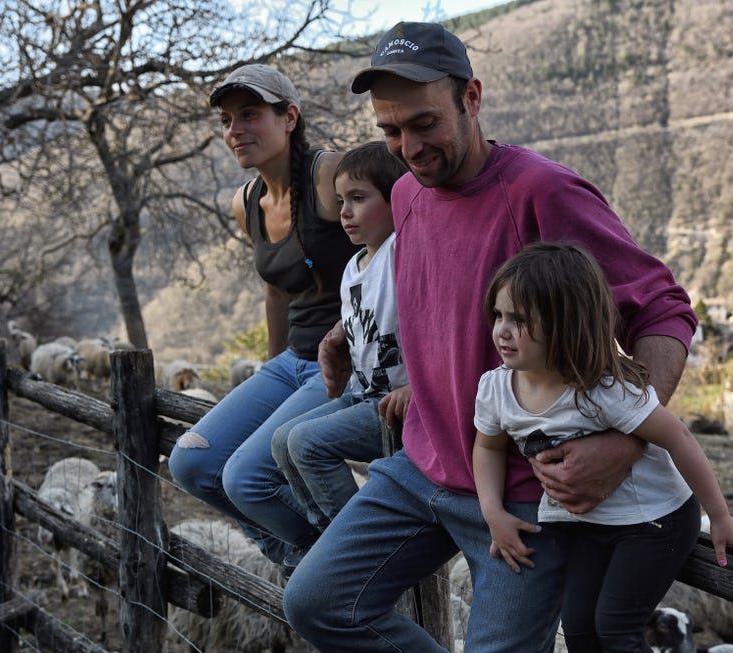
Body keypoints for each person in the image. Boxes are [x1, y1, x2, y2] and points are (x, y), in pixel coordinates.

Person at [282, 21, 699, 652]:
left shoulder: (541, 191)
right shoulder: (406, 196)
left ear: (471, 99)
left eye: (425, 123)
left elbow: (662, 308)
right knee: (316, 604)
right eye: (390, 131)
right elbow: (432, 301)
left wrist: (624, 441)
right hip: (421, 467)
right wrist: (353, 336)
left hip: (529, 498)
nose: (408, 147)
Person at [473, 241, 733, 652]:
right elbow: (487, 448)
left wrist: (719, 517)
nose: (501, 330)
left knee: (615, 629)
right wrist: (493, 513)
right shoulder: (496, 389)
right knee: (576, 626)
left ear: (565, 324)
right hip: (592, 525)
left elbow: (679, 438)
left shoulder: (603, 390)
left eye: (518, 320)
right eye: (498, 315)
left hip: (654, 520)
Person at [166, 64, 359, 572]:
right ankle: (302, 555)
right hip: (295, 360)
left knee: (244, 477)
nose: (235, 130)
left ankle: (333, 566)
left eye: (250, 114)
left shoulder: (329, 175)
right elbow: (276, 290)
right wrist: (275, 372)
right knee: (191, 463)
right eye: (227, 120)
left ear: (289, 116)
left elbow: (399, 247)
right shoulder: (246, 202)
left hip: (350, 358)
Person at [271, 141, 411, 541]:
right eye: (340, 200)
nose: (345, 212)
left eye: (358, 198)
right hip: (362, 392)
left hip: (395, 402)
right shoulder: (353, 266)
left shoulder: (401, 250)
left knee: (308, 444)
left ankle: (359, 540)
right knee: (283, 441)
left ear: (396, 198)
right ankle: (327, 534)